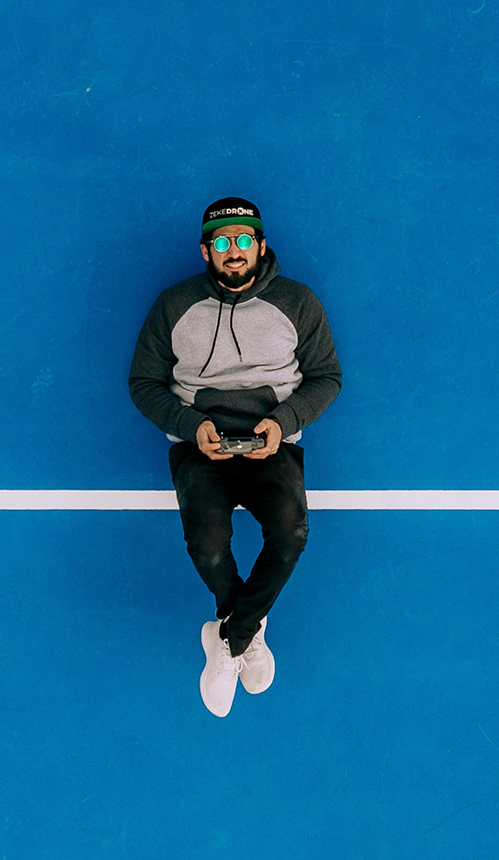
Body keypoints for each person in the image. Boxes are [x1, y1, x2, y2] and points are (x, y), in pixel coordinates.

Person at [129, 197, 342, 717]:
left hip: (273, 441)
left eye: (244, 240)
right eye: (222, 242)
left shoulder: (298, 302)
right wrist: (191, 426)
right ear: (206, 251)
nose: (234, 251)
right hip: (199, 443)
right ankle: (244, 628)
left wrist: (284, 422)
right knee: (206, 544)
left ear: (261, 246)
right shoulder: (174, 305)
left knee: (290, 534)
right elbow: (144, 383)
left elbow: (326, 377)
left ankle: (230, 637)